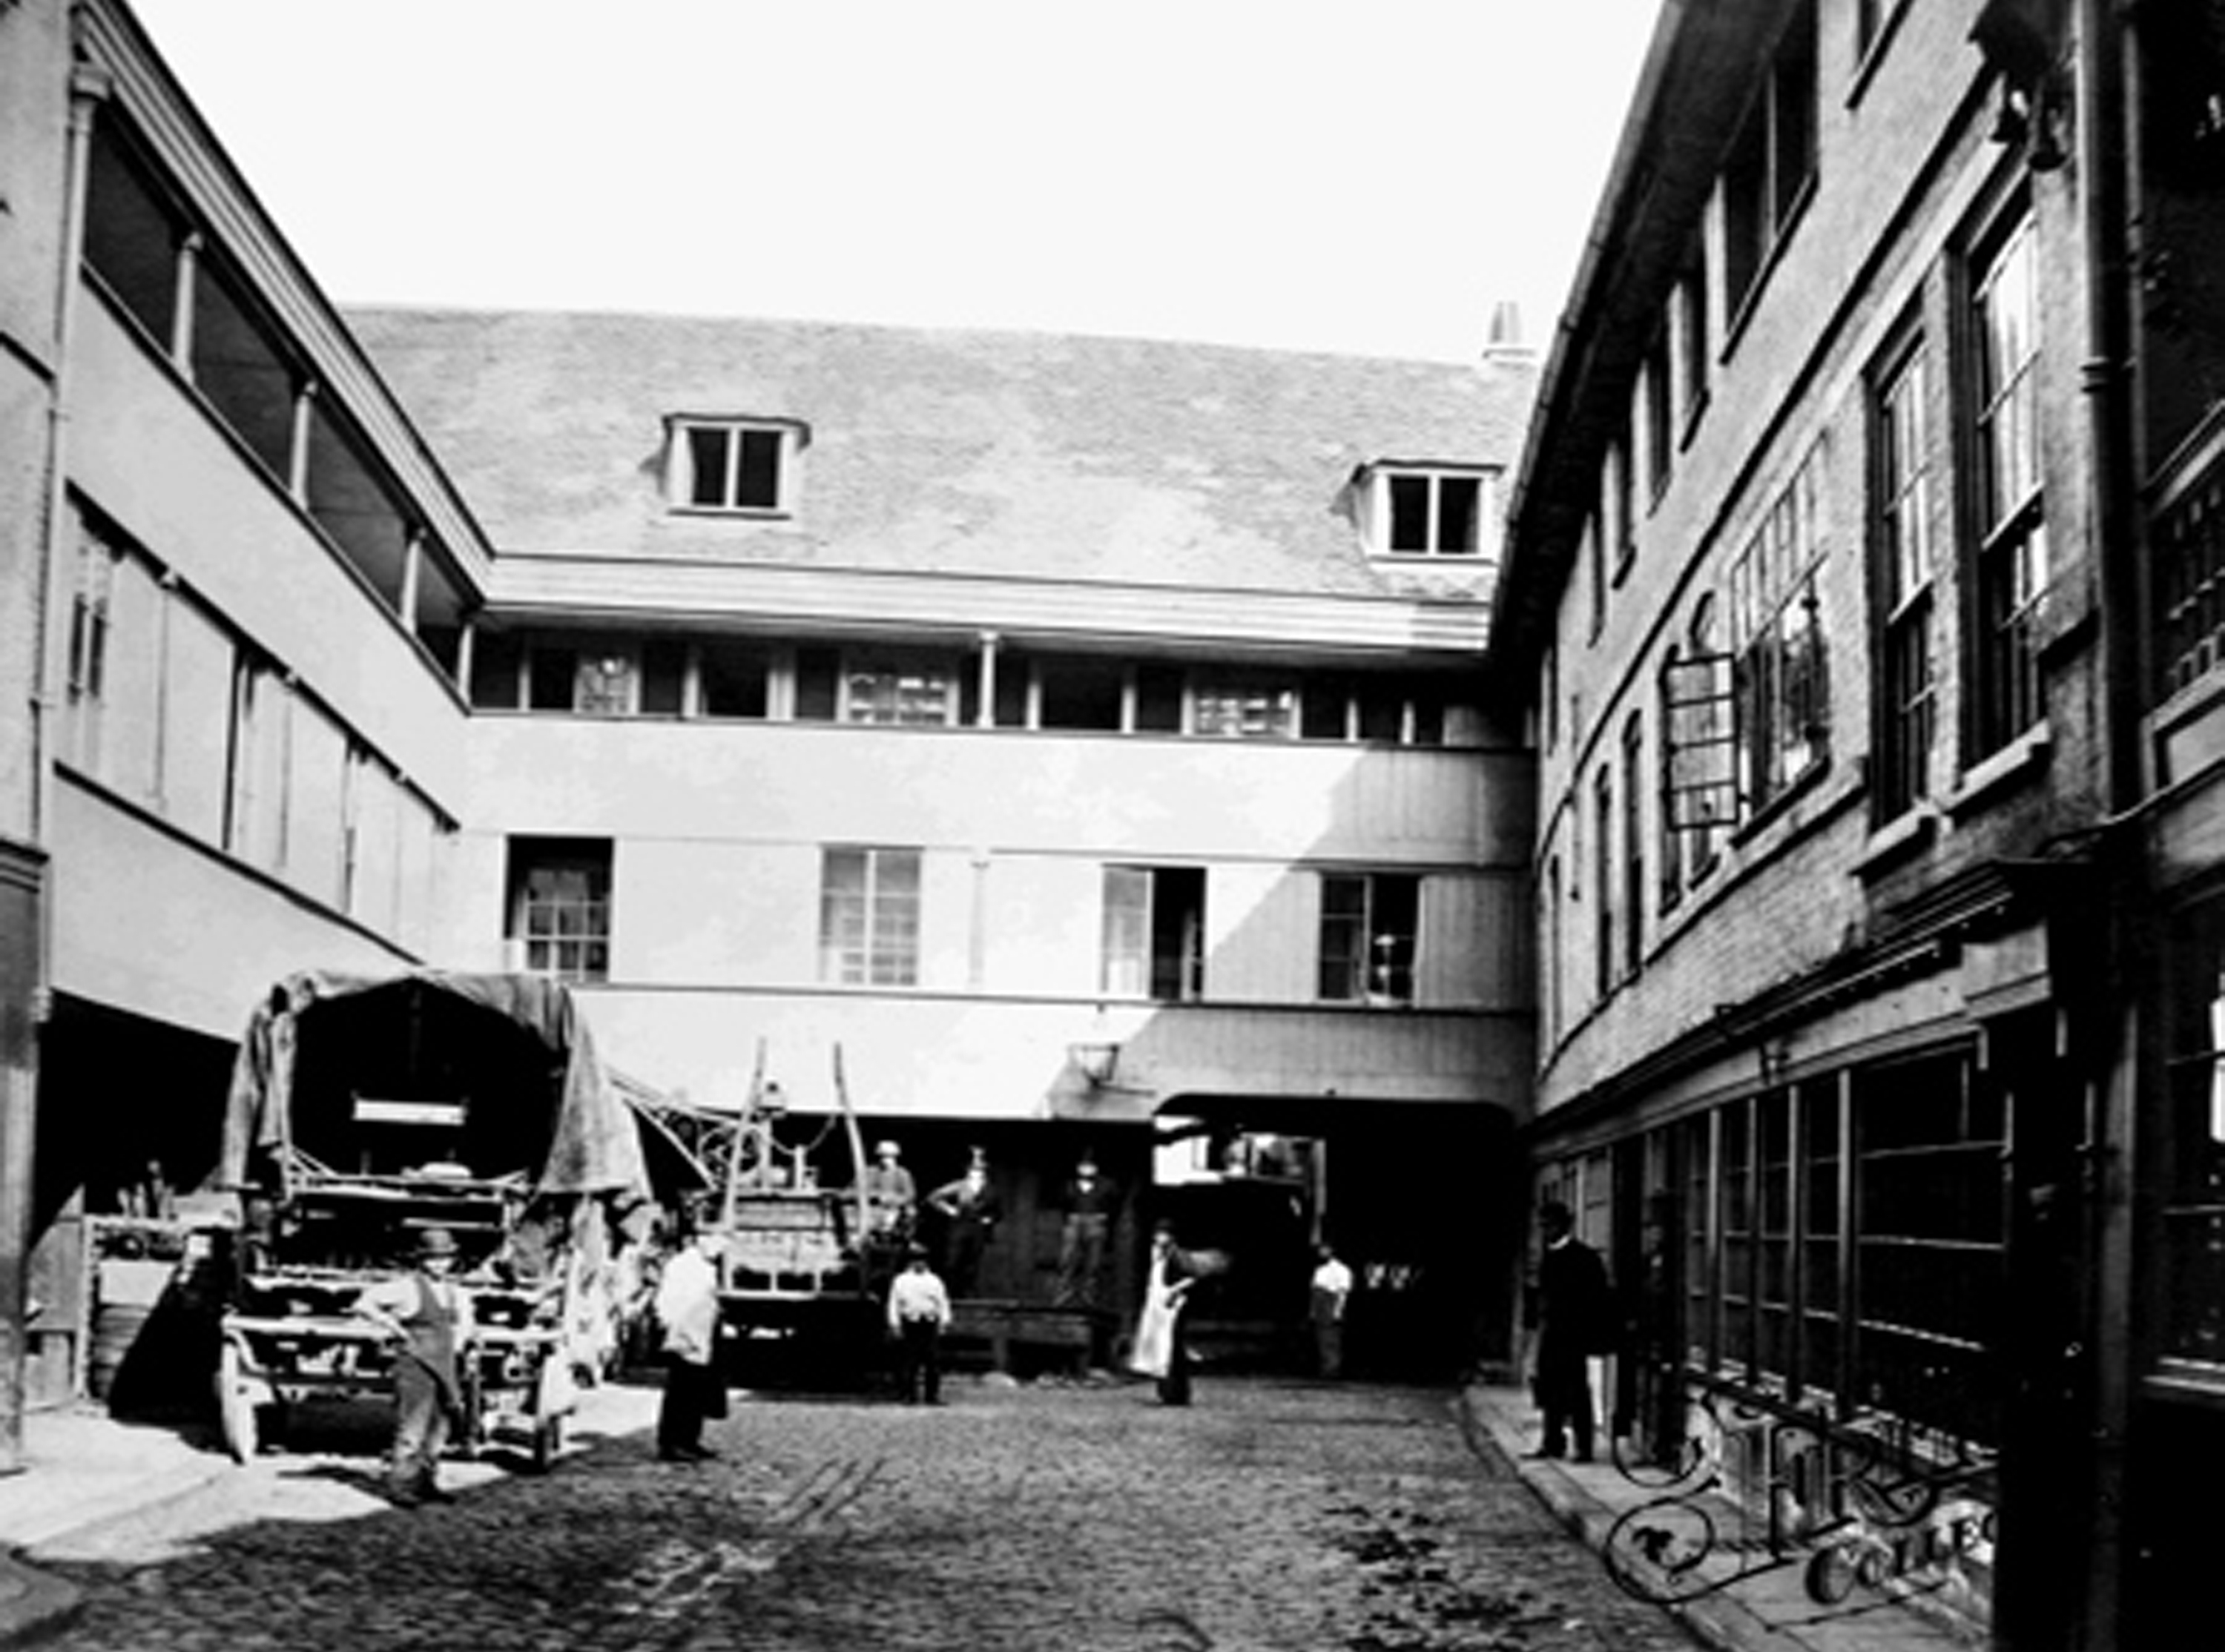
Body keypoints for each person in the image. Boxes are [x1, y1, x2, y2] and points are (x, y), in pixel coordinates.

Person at [354, 1226, 475, 1507]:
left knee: (439, 1430)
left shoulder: (456, 1292)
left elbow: (466, 1322)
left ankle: (426, 1483)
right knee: (412, 1429)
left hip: (445, 1366)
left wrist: (463, 1338)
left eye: (445, 1258)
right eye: (433, 1258)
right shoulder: (406, 1288)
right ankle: (400, 1486)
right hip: (415, 1365)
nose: (439, 1264)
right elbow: (364, 1303)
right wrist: (393, 1326)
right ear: (421, 1260)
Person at [1524, 1201, 1615, 1463]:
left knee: (1577, 1392)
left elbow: (1597, 1299)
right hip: (1551, 1333)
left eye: (1551, 1225)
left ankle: (1584, 1447)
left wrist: (1589, 1334)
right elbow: (1541, 1298)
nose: (1547, 1231)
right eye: (1543, 1226)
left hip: (1575, 1335)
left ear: (1565, 1224)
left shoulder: (1584, 1257)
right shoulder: (1548, 1257)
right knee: (1549, 1389)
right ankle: (1552, 1443)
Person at [652, 1215, 728, 1463]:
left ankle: (690, 1441)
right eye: (719, 1240)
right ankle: (672, 1443)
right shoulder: (683, 1265)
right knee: (680, 1393)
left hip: (701, 1336)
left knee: (697, 1392)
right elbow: (666, 1300)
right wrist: (672, 1328)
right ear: (703, 1239)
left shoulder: (708, 1267)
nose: (723, 1247)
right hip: (684, 1335)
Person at [1129, 1220, 1199, 1405]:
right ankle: (1166, 1392)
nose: (1159, 1238)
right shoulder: (1158, 1254)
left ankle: (1177, 1393)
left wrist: (1174, 1291)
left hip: (1172, 1306)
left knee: (1172, 1349)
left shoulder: (1176, 1254)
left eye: (1163, 1234)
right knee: (1160, 1350)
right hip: (1157, 1305)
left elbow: (1191, 1277)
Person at [926, 1149, 1001, 1297]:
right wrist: (949, 1210)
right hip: (959, 1226)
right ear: (967, 1171)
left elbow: (998, 1212)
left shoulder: (991, 1190)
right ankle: (950, 1292)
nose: (976, 1173)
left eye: (980, 1170)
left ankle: (968, 1293)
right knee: (952, 1260)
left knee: (972, 1262)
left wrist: (989, 1219)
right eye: (973, 1170)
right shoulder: (960, 1186)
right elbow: (933, 1197)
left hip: (978, 1227)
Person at [885, 1243, 952, 1404]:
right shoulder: (901, 1281)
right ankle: (909, 1395)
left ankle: (932, 1396)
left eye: (922, 1260)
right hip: (910, 1323)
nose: (919, 1264)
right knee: (910, 1362)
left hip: (928, 1323)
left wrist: (944, 1321)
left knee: (933, 1362)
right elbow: (894, 1303)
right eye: (916, 1260)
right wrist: (894, 1324)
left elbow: (942, 1302)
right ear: (910, 1262)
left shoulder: (934, 1281)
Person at [1053, 1150, 1118, 1309]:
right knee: (1067, 1260)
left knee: (1093, 1263)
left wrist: (1106, 1217)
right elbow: (1062, 1205)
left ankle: (1089, 1297)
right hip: (1074, 1221)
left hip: (1096, 1221)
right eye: (1083, 1166)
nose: (1086, 1170)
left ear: (1096, 1168)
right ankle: (1063, 1295)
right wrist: (1069, 1219)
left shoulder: (1107, 1185)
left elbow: (1116, 1205)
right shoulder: (1069, 1185)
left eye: (1090, 1166)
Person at [1309, 1241, 1354, 1379]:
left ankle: (1333, 1370)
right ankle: (1325, 1369)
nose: (1321, 1253)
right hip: (1320, 1304)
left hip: (1331, 1303)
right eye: (1321, 1250)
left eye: (1325, 1250)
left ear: (1332, 1251)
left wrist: (1338, 1310)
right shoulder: (1319, 1270)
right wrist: (1313, 1310)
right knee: (1321, 1338)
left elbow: (1342, 1292)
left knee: (1332, 1339)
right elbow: (1315, 1291)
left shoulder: (1342, 1270)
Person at [863, 1139, 917, 1240]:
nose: (885, 1160)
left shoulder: (902, 1174)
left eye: (889, 1157)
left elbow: (910, 1195)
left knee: (910, 1213)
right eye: (883, 1156)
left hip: (895, 1210)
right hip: (872, 1209)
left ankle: (903, 1240)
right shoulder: (869, 1173)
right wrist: (874, 1195)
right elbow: (853, 1191)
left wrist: (890, 1199)